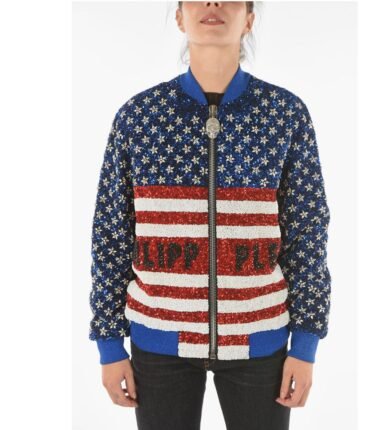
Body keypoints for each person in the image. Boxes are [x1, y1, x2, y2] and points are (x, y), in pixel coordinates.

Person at [88, 2, 332, 429]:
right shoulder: (140, 117)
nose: (213, 3)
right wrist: (109, 344)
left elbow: (307, 232)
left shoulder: (284, 114)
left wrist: (306, 342)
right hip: (159, 341)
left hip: (260, 340)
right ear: (179, 16)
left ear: (249, 19)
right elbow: (111, 233)